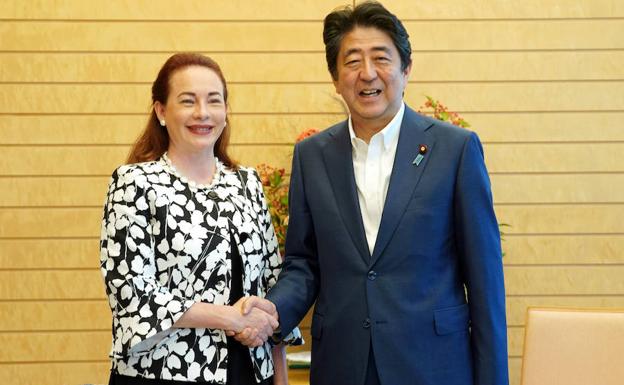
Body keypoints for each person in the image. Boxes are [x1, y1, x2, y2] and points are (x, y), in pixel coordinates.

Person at [237, 2, 509, 385]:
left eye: (381, 58)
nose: (367, 73)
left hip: (433, 365)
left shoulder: (455, 149)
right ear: (335, 78)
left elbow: (485, 282)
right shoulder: (313, 156)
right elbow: (304, 262)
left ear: (406, 69)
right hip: (343, 365)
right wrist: (273, 310)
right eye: (352, 61)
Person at [99, 52, 301, 385]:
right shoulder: (134, 183)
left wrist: (280, 378)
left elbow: (271, 286)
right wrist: (231, 319)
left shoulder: (247, 183)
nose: (202, 113)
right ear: (161, 111)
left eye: (214, 101)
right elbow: (132, 293)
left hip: (251, 372)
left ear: (225, 111)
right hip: (165, 372)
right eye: (188, 101)